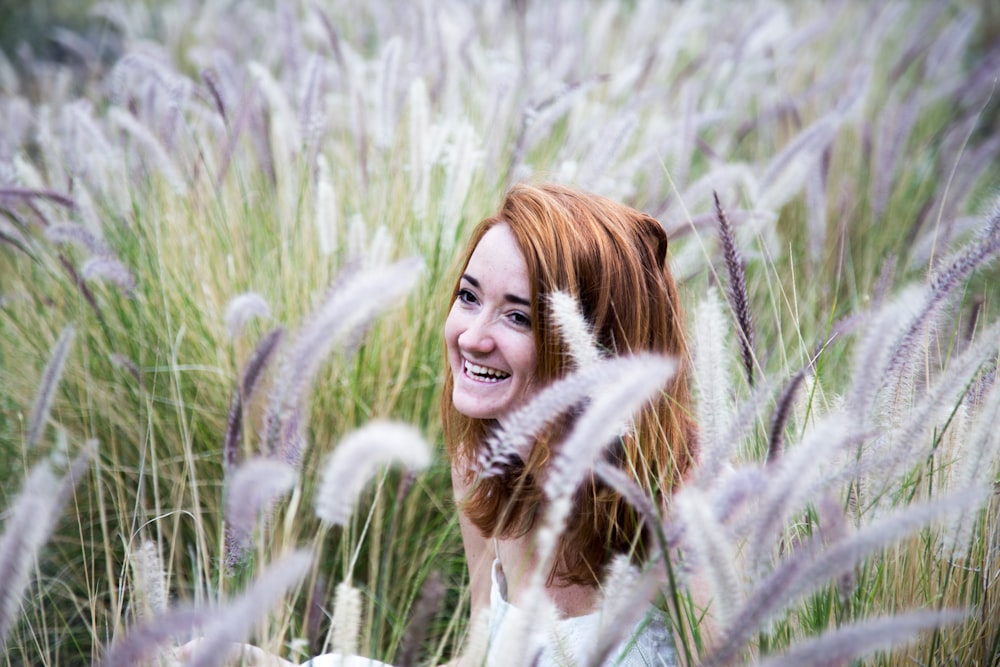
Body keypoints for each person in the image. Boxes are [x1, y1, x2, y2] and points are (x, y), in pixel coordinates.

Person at [443, 182, 697, 666]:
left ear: (597, 346)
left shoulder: (687, 514)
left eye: (518, 317)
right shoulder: (480, 468)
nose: (472, 338)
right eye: (468, 297)